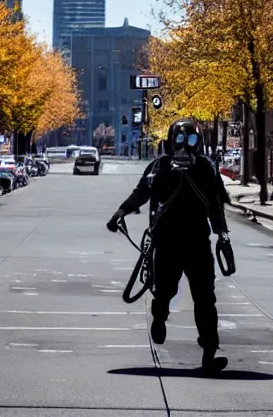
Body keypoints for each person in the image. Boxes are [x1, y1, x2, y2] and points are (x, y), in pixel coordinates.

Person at [107, 118, 232, 373]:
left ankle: (209, 351)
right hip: (167, 243)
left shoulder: (206, 168)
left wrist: (222, 234)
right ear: (170, 141)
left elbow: (216, 202)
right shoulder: (161, 166)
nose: (185, 145)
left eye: (192, 140)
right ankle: (160, 316)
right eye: (181, 139)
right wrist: (119, 213)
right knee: (164, 290)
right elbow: (141, 192)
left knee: (205, 298)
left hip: (197, 243)